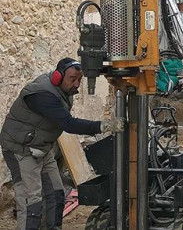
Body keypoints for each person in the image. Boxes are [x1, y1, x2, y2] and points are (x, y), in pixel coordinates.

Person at [0, 58, 124, 230]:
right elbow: (69, 124)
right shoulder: (41, 94)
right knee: (31, 203)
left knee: (56, 194)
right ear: (58, 77)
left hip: (43, 148)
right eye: (72, 79)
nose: (77, 84)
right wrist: (103, 126)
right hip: (21, 150)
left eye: (79, 79)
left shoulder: (63, 92)